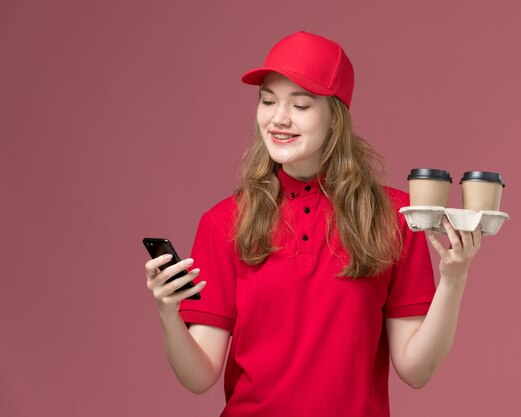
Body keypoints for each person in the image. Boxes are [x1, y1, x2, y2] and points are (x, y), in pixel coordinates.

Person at [145, 31, 481, 417]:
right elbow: (198, 376)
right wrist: (168, 314)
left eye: (300, 105)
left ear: (335, 119)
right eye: (267, 102)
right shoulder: (222, 222)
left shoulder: (395, 217)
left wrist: (454, 280)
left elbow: (415, 370)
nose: (278, 118)